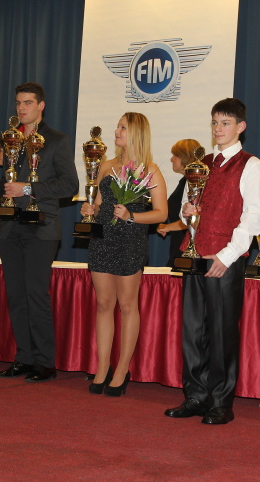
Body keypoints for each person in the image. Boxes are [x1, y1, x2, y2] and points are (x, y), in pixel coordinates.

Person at [164, 97, 260, 424]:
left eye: (225, 123)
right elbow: (186, 211)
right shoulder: (201, 164)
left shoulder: (251, 165)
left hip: (225, 259)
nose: (218, 129)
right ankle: (195, 396)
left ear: (240, 127)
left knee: (221, 333)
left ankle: (221, 401)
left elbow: (253, 217)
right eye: (214, 122)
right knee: (192, 331)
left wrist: (227, 256)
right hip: (194, 254)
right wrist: (187, 212)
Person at [0, 82, 79, 382]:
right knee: (16, 296)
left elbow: (70, 185)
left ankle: (45, 363)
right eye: (18, 103)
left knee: (35, 295)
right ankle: (23, 358)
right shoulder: (10, 139)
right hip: (10, 227)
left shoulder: (56, 140)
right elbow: (8, 191)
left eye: (28, 103)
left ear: (41, 105)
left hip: (41, 228)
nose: (22, 108)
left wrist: (28, 188)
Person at [80, 113, 167, 396]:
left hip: (130, 242)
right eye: (117, 127)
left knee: (128, 306)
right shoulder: (106, 166)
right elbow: (99, 203)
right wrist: (89, 209)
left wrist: (132, 216)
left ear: (136, 133)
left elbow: (161, 213)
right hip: (102, 240)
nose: (116, 131)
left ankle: (121, 369)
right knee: (103, 304)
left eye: (122, 128)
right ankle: (102, 366)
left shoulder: (151, 170)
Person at [157, 139, 201, 267]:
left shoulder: (194, 183)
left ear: (184, 157)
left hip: (187, 246)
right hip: (179, 243)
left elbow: (195, 217)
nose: (171, 159)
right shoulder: (184, 182)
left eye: (175, 155)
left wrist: (168, 227)